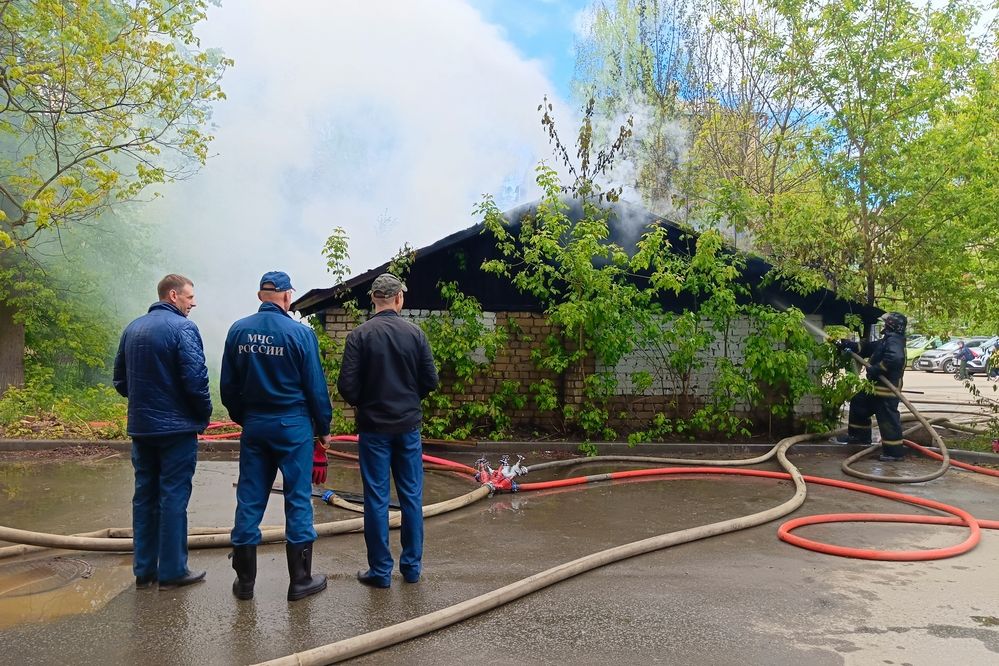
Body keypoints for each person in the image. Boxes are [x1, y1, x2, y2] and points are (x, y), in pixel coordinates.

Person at [220, 271, 333, 601]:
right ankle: (300, 582)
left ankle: (244, 584)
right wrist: (322, 429)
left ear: (260, 296)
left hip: (255, 425)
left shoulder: (238, 330)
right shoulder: (301, 333)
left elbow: (228, 386)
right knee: (298, 499)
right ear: (287, 298)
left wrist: (245, 418)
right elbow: (315, 387)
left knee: (250, 499)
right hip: (293, 426)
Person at [337, 273, 439, 588]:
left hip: (373, 430)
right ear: (398, 299)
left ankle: (380, 573)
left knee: (376, 499)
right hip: (408, 428)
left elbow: (347, 387)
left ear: (373, 299)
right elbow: (430, 381)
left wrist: (367, 403)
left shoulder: (359, 336)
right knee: (411, 497)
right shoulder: (415, 335)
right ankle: (411, 569)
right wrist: (409, 400)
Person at [113, 274, 212, 591]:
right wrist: (202, 415)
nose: (193, 302)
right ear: (173, 295)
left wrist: (144, 402)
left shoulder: (133, 328)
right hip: (177, 430)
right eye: (189, 297)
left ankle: (144, 570)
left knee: (144, 496)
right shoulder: (184, 328)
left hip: (142, 429)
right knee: (173, 497)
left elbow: (120, 381)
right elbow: (196, 381)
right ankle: (172, 572)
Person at [833, 312, 908, 462]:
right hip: (874, 388)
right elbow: (868, 348)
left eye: (886, 323)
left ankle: (894, 453)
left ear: (891, 325)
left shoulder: (895, 341)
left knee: (887, 420)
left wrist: (877, 368)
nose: (884, 325)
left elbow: (895, 359)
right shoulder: (887, 340)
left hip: (886, 390)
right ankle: (858, 437)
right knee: (858, 404)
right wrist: (849, 345)